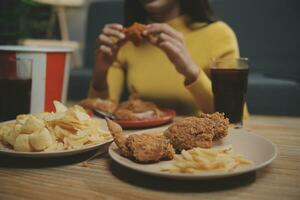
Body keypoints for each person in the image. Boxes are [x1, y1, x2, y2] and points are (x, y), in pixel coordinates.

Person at [88, 0, 249, 116]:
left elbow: (237, 116)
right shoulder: (122, 42)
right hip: (140, 144)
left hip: (202, 147)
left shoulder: (220, 35)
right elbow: (101, 116)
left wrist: (191, 71)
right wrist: (99, 75)